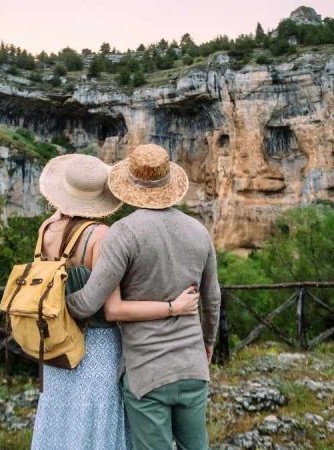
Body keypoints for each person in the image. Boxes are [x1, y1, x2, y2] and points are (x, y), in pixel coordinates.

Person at [30, 153, 201, 450]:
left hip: (57, 342)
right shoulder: (101, 236)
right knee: (99, 424)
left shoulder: (46, 229)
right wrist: (173, 307)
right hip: (95, 348)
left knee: (64, 423)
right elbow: (114, 310)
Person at [67, 144, 221, 450]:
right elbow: (212, 299)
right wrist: (208, 343)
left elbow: (88, 303)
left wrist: (55, 303)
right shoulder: (199, 231)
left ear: (130, 186)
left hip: (147, 372)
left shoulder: (123, 233)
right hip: (192, 366)